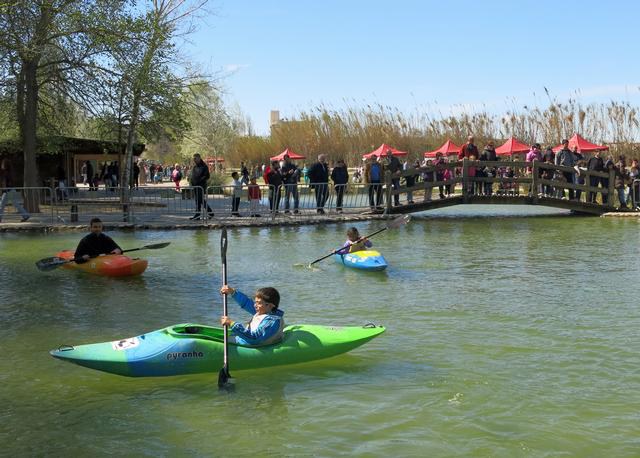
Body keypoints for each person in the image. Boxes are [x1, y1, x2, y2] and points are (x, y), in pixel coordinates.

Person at [219, 285, 285, 346]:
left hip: (251, 346)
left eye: (259, 303)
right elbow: (246, 302)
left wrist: (232, 324)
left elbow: (254, 338)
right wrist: (232, 292)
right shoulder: (264, 310)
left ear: (270, 305)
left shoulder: (272, 321)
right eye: (255, 302)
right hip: (244, 340)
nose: (255, 305)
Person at [0, 157, 30, 222]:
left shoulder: (6, 173)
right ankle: (26, 215)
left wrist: (4, 188)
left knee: (3, 205)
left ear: (5, 165)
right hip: (10, 190)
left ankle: (26, 215)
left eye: (2, 164)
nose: (1, 165)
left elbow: (6, 182)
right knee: (14, 204)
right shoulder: (9, 172)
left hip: (8, 191)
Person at [189, 153, 214, 219]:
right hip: (195, 186)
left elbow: (207, 176)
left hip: (201, 186)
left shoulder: (204, 166)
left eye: (195, 158)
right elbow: (193, 175)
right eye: (193, 159)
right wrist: (191, 181)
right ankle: (198, 215)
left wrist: (199, 180)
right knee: (197, 200)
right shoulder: (195, 167)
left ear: (199, 158)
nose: (194, 160)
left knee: (200, 200)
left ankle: (210, 213)